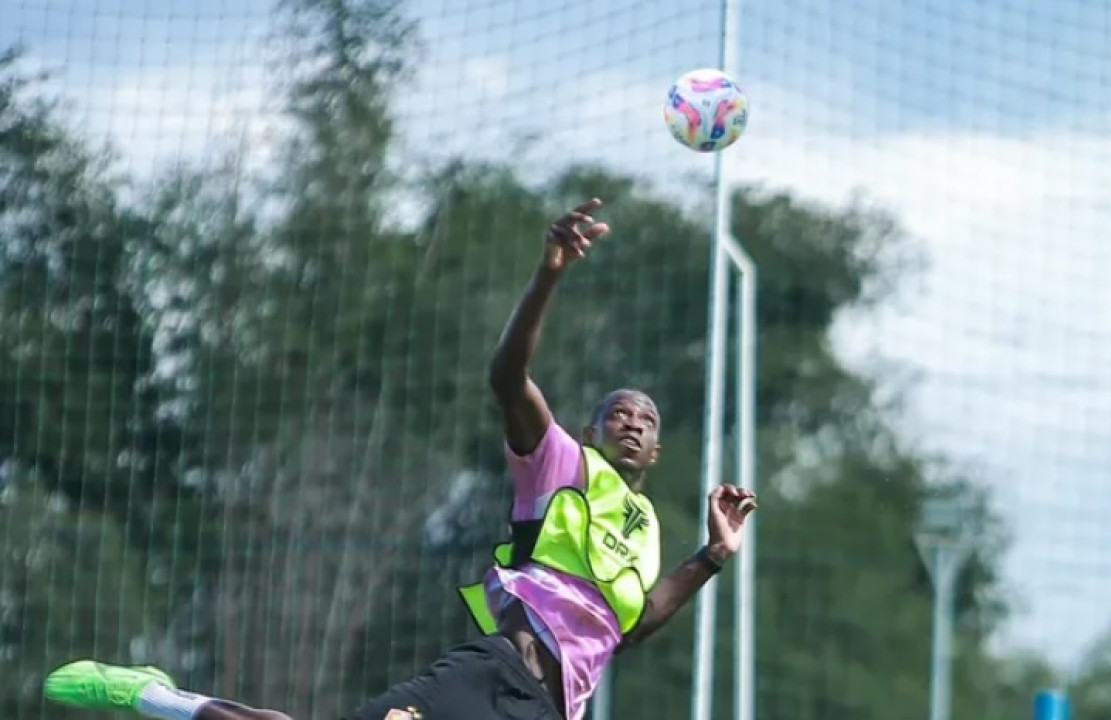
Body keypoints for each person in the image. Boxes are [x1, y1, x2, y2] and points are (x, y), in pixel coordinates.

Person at [43, 197, 756, 720]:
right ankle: (154, 696)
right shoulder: (563, 466)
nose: (632, 421)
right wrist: (548, 274)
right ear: (593, 428)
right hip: (492, 675)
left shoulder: (646, 524)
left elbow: (627, 627)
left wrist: (712, 557)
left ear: (658, 448)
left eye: (646, 418)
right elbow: (507, 377)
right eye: (618, 412)